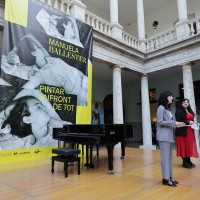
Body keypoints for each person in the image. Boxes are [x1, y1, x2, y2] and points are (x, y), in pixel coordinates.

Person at [21, 34, 87, 106]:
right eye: (38, 47)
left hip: (84, 79)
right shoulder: (39, 75)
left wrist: (28, 36)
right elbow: (26, 89)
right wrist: (9, 107)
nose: (42, 48)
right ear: (33, 53)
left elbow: (35, 41)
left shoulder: (49, 59)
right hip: (80, 93)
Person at [0, 95, 70, 149]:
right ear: (27, 119)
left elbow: (35, 92)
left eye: (42, 105)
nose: (45, 108)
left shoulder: (60, 126)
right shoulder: (25, 143)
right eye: (38, 107)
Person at [156, 91, 185, 187]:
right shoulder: (161, 108)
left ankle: (170, 177)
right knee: (165, 158)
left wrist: (178, 123)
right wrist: (174, 123)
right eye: (170, 96)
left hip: (168, 136)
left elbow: (170, 122)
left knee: (169, 158)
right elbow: (160, 122)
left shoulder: (168, 109)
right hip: (163, 137)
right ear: (165, 97)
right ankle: (165, 179)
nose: (172, 98)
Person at [175, 98, 199, 168]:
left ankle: (188, 161)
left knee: (188, 146)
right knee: (183, 146)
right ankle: (184, 162)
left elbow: (191, 119)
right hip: (182, 131)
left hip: (190, 131)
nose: (186, 103)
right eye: (184, 102)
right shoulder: (178, 110)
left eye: (187, 102)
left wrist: (193, 123)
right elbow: (178, 120)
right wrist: (188, 122)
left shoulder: (189, 110)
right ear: (181, 103)